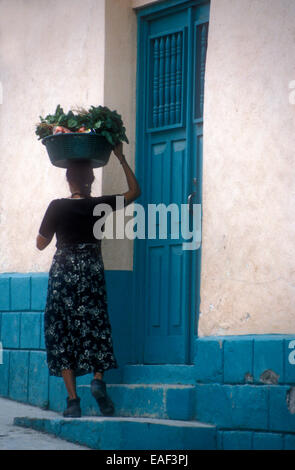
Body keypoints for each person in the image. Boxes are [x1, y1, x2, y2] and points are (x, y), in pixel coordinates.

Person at [36, 142, 141, 418]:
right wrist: (120, 157)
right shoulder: (100, 205)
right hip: (91, 270)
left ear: (68, 179)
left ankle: (73, 401)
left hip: (63, 273)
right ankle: (97, 378)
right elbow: (134, 192)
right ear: (91, 180)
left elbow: (40, 244)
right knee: (96, 326)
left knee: (61, 331)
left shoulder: (56, 207)